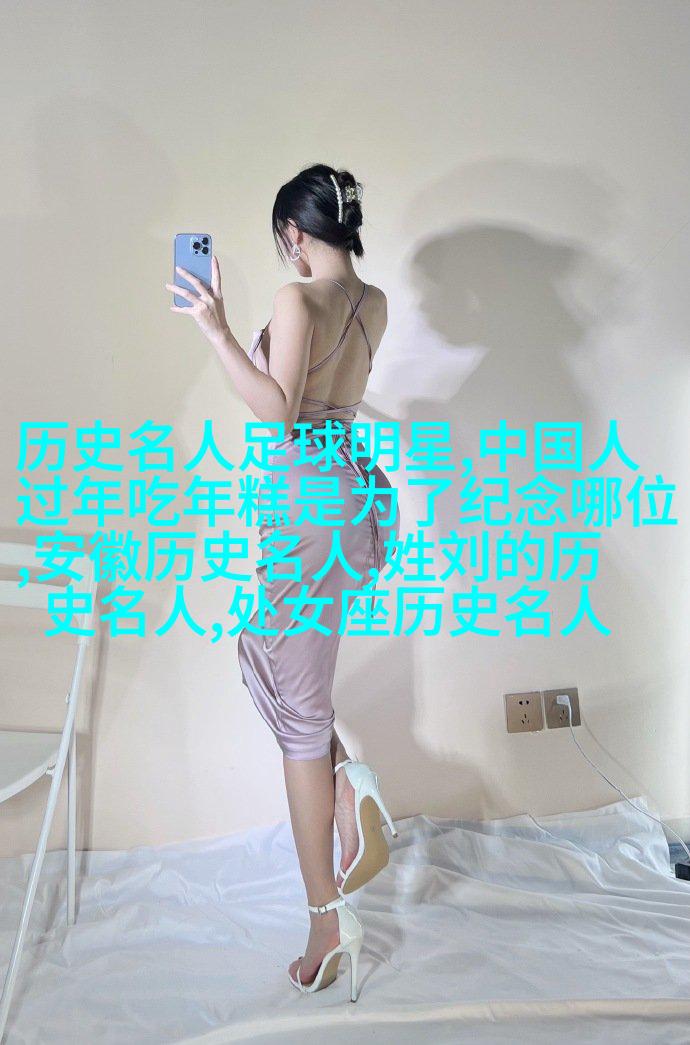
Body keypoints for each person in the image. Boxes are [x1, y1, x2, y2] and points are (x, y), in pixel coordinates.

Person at [166, 163, 400, 1001]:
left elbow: (279, 409)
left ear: (294, 232)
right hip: (355, 493)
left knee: (300, 715)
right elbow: (334, 400)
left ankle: (326, 925)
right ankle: (350, 786)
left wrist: (219, 331)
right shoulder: (374, 303)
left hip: (307, 502)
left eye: (283, 239)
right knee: (263, 657)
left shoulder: (296, 300)